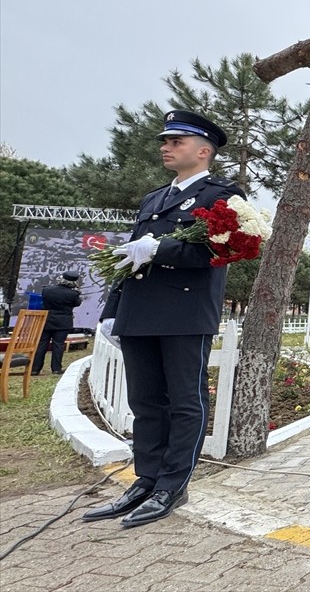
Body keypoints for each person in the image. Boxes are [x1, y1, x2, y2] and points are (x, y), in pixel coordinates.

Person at [84, 110, 245, 529]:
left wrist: (161, 250)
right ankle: (146, 479)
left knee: (184, 402)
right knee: (145, 402)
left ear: (204, 150)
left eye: (176, 142)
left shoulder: (222, 196)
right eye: (165, 141)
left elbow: (219, 253)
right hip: (140, 311)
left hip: (184, 312)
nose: (166, 147)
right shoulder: (153, 199)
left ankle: (173, 485)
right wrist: (112, 310)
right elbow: (129, 260)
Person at [31, 271, 83, 375]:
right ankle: (56, 369)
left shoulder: (46, 290)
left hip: (47, 320)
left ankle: (35, 369)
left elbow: (44, 301)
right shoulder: (74, 294)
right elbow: (77, 303)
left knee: (42, 344)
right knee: (58, 345)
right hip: (63, 322)